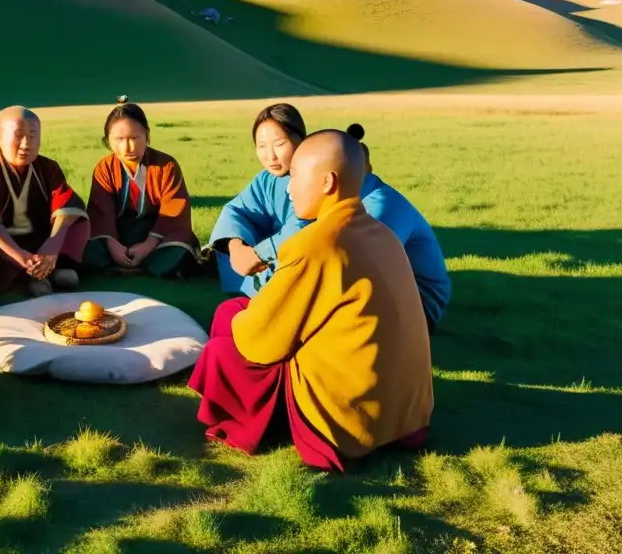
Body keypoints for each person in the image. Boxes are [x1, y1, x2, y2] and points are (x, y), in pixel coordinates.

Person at [189, 128, 433, 470]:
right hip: (404, 408)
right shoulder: (379, 232)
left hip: (350, 416)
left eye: (296, 176)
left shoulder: (318, 243)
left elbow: (260, 343)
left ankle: (255, 423)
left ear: (327, 183)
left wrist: (242, 322)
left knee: (221, 350)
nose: (288, 188)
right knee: (232, 310)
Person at [277, 124, 451, 332]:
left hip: (419, 304)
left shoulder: (379, 208)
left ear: (330, 178)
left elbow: (357, 270)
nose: (289, 188)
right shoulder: (346, 201)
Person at [0, 106, 90, 297]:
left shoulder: (48, 167)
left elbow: (66, 206)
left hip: (40, 241)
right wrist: (21, 258)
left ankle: (50, 267)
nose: (26, 144)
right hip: (3, 248)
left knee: (78, 222)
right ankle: (29, 275)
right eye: (18, 135)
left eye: (33, 136)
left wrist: (52, 245)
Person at [84, 97, 199, 277]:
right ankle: (131, 261)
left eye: (135, 138)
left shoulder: (166, 165)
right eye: (119, 139)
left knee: (177, 250)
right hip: (118, 233)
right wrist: (111, 243)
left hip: (157, 234)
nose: (128, 147)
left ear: (147, 136)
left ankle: (126, 265)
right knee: (87, 247)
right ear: (108, 141)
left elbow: (175, 210)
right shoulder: (104, 168)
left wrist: (149, 243)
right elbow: (100, 212)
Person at [208, 103, 307, 295]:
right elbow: (237, 211)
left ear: (301, 140)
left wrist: (258, 254)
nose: (271, 156)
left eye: (279, 144)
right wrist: (235, 246)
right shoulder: (266, 179)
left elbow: (305, 226)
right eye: (262, 146)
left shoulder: (314, 176)